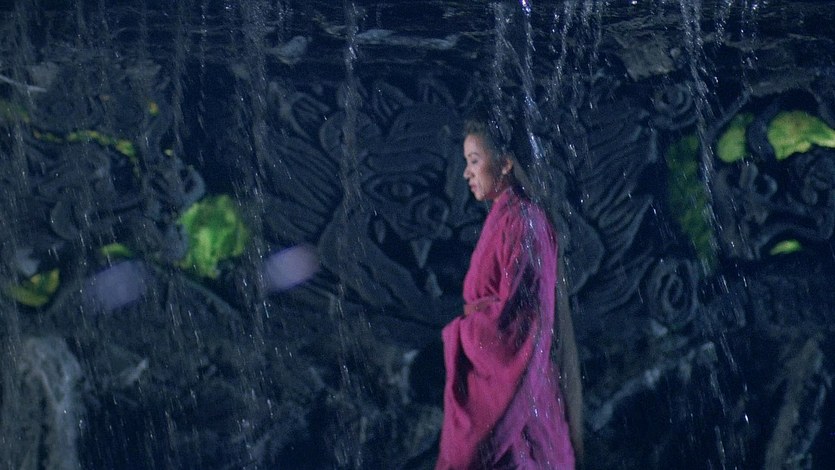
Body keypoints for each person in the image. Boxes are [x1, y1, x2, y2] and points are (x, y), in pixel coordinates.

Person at [436, 114, 582, 469]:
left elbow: (520, 322)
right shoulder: (506, 217)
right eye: (466, 162)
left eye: (475, 161)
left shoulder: (524, 221)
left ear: (505, 163)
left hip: (517, 393)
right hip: (510, 383)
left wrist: (462, 332)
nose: (466, 173)